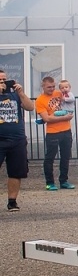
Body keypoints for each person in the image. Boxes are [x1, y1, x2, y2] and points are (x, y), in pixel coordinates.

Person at [35, 75, 75, 190]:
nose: (52, 89)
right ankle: (50, 182)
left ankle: (64, 180)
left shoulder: (59, 93)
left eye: (53, 87)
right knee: (50, 158)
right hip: (53, 132)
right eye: (49, 87)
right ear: (43, 86)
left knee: (65, 157)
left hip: (66, 130)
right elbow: (47, 119)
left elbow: (70, 100)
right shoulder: (40, 100)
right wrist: (64, 117)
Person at [0, 67, 27, 211]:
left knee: (16, 172)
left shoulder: (15, 95)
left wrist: (21, 93)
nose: (3, 83)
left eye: (5, 79)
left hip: (17, 139)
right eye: (0, 80)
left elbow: (30, 107)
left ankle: (12, 201)